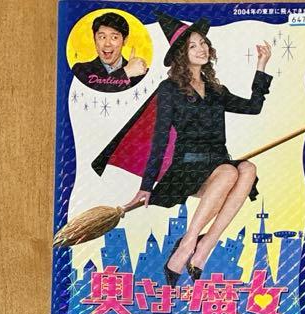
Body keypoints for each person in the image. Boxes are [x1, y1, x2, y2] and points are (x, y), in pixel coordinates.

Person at [92, 13, 273, 285]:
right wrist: (147, 185)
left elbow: (254, 107)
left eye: (203, 43)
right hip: (187, 168)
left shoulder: (216, 90)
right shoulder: (170, 89)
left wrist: (261, 65)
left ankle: (205, 244)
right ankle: (188, 243)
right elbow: (160, 138)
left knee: (248, 168)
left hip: (218, 164)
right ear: (181, 54)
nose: (201, 49)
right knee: (229, 172)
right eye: (192, 46)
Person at [71, 11, 148, 93]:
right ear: (94, 39)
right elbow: (94, 93)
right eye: (102, 37)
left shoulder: (140, 72)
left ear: (124, 40)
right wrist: (126, 72)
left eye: (114, 37)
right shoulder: (80, 70)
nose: (107, 44)